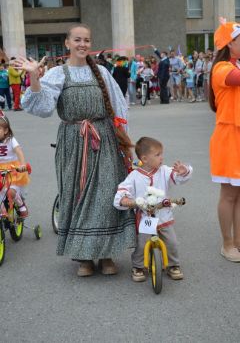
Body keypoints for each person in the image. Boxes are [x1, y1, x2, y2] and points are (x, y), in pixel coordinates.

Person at [16, 23, 136, 276]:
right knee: (76, 194)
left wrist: (125, 141)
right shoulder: (58, 74)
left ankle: (105, 255)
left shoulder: (102, 71)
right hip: (72, 141)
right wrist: (35, 78)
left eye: (87, 40)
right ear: (67, 43)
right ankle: (83, 257)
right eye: (78, 40)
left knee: (106, 195)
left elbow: (119, 108)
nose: (83, 44)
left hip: (103, 139)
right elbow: (43, 108)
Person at [114, 137, 193, 282]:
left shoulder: (164, 171)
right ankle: (138, 266)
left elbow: (177, 177)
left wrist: (183, 171)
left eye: (161, 154)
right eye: (157, 155)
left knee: (172, 242)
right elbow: (123, 189)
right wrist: (125, 199)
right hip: (146, 216)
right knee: (142, 242)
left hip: (163, 215)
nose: (161, 158)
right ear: (145, 158)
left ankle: (173, 265)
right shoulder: (134, 176)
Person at [209, 17, 240, 262]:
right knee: (229, 194)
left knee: (239, 194)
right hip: (229, 138)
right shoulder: (222, 69)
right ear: (230, 44)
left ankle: (238, 242)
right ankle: (226, 243)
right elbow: (234, 80)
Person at [0, 112, 29, 218]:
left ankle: (21, 204)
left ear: (6, 130)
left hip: (13, 170)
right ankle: (3, 212)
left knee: (11, 192)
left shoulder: (11, 140)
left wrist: (22, 165)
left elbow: (19, 151)